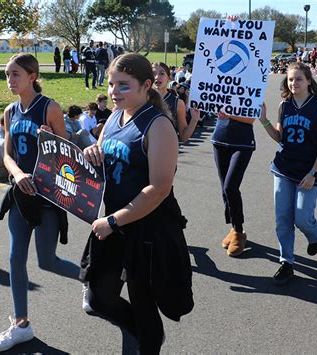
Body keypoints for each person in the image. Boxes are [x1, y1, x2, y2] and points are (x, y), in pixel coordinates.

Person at [80, 53, 193, 354]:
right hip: (114, 222)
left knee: (143, 301)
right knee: (98, 297)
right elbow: (101, 153)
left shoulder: (158, 126)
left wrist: (114, 220)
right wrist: (93, 151)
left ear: (146, 85)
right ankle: (142, 332)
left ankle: (147, 339)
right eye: (111, 84)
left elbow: (158, 189)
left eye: (124, 86)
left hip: (147, 229)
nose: (114, 92)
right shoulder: (115, 116)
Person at [0, 53, 80, 352]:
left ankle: (92, 278)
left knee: (48, 261)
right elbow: (7, 154)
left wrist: (50, 139)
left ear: (32, 76)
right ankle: (21, 325)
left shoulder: (49, 107)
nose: (9, 80)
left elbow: (67, 156)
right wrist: (16, 174)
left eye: (15, 74)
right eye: (7, 75)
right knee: (15, 258)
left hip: (48, 195)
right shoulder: (9, 112)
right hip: (20, 193)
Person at [258, 61, 317, 285]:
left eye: (299, 79)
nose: (294, 83)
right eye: (290, 79)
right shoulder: (284, 105)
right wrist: (264, 120)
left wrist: (313, 172)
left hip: (307, 172)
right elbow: (280, 137)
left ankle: (315, 234)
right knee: (282, 219)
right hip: (283, 168)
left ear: (309, 80)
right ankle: (286, 262)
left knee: (302, 217)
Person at [211, 104, 256, 257]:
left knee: (231, 187)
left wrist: (229, 114)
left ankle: (238, 231)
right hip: (220, 139)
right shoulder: (224, 83)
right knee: (224, 188)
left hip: (242, 143)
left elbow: (251, 119)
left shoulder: (253, 85)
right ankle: (234, 226)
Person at [152, 62, 199, 142]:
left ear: (169, 78)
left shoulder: (178, 103)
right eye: (153, 73)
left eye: (162, 74)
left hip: (166, 150)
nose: (157, 77)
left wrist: (194, 120)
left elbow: (183, 137)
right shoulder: (141, 100)